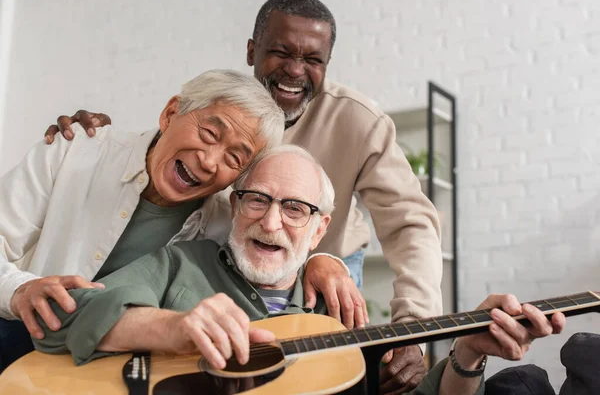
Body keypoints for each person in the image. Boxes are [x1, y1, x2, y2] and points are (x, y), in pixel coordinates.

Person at [44, 0, 443, 390]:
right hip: (235, 260)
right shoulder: (228, 111)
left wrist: (413, 325)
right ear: (252, 51)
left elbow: (411, 223)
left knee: (330, 379)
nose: (294, 71)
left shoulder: (359, 121)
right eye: (280, 52)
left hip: (326, 263)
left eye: (312, 60)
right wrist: (106, 145)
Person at [32, 146, 566, 395]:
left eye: (294, 209)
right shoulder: (181, 263)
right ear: (234, 206)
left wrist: (468, 352)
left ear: (318, 229)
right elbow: (68, 315)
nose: (270, 221)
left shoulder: (340, 313)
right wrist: (172, 328)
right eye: (256, 200)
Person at [0, 70, 362, 372]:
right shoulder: (73, 150)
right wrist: (18, 290)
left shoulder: (227, 216)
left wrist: (323, 261)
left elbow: (276, 244)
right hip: (15, 326)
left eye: (235, 157)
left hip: (107, 367)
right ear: (171, 113)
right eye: (209, 134)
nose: (208, 161)